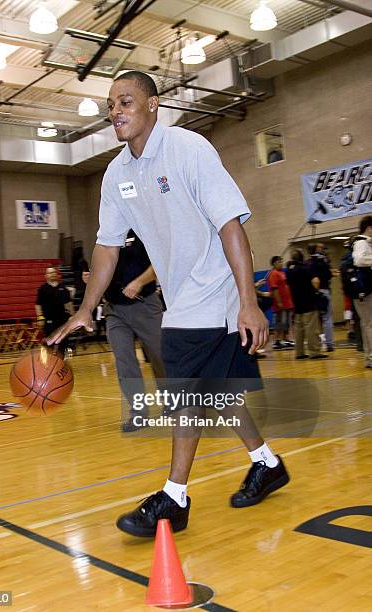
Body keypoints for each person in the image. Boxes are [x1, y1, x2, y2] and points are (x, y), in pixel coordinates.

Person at [47, 70, 289, 537]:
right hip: (179, 292)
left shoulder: (188, 148)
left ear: (153, 104)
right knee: (216, 390)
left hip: (214, 286)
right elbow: (106, 247)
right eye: (110, 105)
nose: (115, 111)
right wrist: (84, 309)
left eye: (125, 102)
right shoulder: (117, 174)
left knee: (182, 388)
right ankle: (267, 463)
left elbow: (230, 225)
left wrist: (249, 301)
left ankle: (174, 498)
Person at [104, 229, 166, 432]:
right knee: (125, 363)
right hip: (114, 309)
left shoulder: (142, 227)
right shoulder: (105, 233)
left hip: (145, 305)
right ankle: (139, 414)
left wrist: (139, 282)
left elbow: (159, 263)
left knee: (160, 357)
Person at [286, 249, 327, 360]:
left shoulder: (289, 271)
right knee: (311, 328)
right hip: (309, 301)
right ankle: (314, 352)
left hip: (297, 303)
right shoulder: (305, 268)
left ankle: (299, 352)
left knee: (299, 329)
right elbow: (316, 281)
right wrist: (316, 290)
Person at [35, 267, 73, 354]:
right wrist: (40, 316)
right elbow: (38, 304)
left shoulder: (63, 288)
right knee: (49, 344)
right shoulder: (42, 289)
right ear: (46, 276)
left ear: (56, 274)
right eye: (50, 273)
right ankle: (49, 364)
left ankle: (62, 362)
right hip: (49, 321)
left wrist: (72, 316)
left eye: (53, 272)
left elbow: (68, 304)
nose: (52, 274)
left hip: (62, 321)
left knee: (63, 343)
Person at [352, 216, 372, 368]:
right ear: (369, 228)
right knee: (369, 325)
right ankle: (370, 358)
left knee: (368, 324)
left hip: (367, 290)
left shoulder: (365, 243)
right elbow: (359, 260)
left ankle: (369, 358)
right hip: (364, 292)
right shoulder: (361, 242)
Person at [307, 243, 335, 351]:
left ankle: (316, 345)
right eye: (321, 248)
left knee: (314, 320)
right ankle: (329, 344)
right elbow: (328, 275)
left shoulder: (307, 263)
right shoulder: (322, 262)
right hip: (322, 291)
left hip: (311, 293)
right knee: (327, 318)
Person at [268, 256, 294, 350]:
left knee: (286, 322)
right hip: (280, 304)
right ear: (274, 263)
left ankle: (285, 339)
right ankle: (277, 341)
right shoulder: (273, 274)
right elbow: (274, 289)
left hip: (287, 303)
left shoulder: (282, 273)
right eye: (279, 262)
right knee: (280, 323)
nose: (281, 263)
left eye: (281, 262)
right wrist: (279, 302)